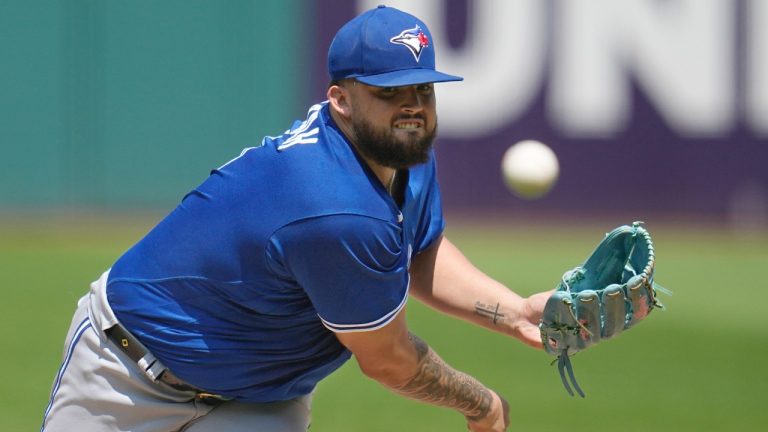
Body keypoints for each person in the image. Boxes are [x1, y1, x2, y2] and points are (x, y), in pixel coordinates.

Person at [41, 6, 550, 432]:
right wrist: (480, 403)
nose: (412, 107)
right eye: (389, 92)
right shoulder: (335, 206)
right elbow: (389, 359)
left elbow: (416, 250)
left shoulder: (399, 149)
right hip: (126, 375)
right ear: (340, 101)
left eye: (422, 89)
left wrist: (517, 313)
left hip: (258, 402)